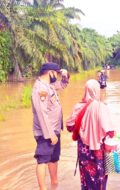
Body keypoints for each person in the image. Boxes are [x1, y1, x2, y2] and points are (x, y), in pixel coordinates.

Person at [66, 79, 115, 190]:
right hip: (98, 151)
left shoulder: (78, 106)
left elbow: (69, 126)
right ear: (97, 91)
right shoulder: (101, 107)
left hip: (83, 150)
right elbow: (110, 132)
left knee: (86, 178)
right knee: (99, 178)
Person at [31, 62, 69, 190]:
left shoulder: (49, 86)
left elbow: (63, 85)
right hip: (45, 132)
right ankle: (43, 188)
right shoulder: (40, 89)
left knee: (53, 158)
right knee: (42, 159)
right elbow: (42, 113)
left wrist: (65, 76)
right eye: (56, 73)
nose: (57, 76)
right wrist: (50, 134)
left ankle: (54, 183)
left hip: (54, 129)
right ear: (50, 73)